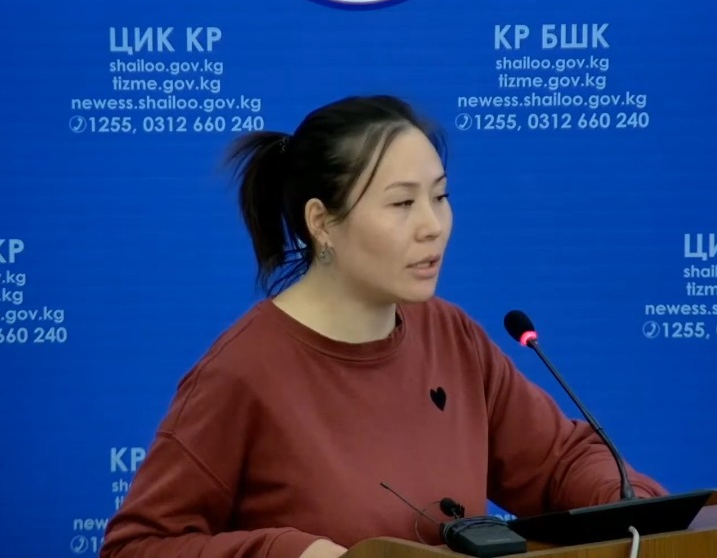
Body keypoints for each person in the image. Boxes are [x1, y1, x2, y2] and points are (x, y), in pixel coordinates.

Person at [100, 95, 667, 558]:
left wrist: (631, 506)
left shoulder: (451, 335)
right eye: (401, 205)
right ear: (322, 222)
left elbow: (560, 461)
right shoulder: (242, 371)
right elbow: (136, 548)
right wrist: (288, 552)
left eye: (440, 197)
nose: (433, 226)